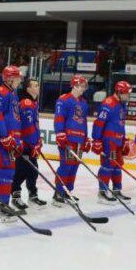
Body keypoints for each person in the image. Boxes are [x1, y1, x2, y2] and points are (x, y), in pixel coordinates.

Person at [0, 65, 25, 219]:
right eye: (17, 78)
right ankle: (3, 205)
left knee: (2, 171)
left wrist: (18, 139)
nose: (19, 80)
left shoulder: (13, 94)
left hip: (10, 139)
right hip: (2, 139)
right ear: (9, 79)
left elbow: (15, 120)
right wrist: (5, 136)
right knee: (7, 170)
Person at [91, 80, 133, 204]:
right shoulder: (108, 104)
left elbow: (121, 124)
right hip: (109, 141)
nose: (128, 96)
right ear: (119, 92)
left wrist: (124, 140)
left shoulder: (122, 104)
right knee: (108, 165)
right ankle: (102, 192)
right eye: (126, 93)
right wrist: (97, 140)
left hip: (118, 140)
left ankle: (116, 190)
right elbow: (99, 123)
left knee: (117, 165)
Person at [52, 75, 91, 206]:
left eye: (84, 86)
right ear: (75, 85)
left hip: (79, 141)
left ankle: (68, 192)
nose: (83, 88)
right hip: (68, 140)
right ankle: (58, 193)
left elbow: (84, 122)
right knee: (66, 166)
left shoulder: (83, 102)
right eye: (82, 86)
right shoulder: (63, 100)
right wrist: (60, 133)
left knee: (74, 167)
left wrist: (86, 138)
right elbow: (59, 118)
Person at [11, 78, 46, 209]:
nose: (38, 87)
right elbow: (27, 127)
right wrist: (33, 144)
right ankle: (16, 196)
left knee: (33, 171)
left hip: (31, 144)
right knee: (21, 171)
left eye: (38, 85)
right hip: (25, 145)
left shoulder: (33, 103)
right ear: (28, 89)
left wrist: (38, 140)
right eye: (35, 85)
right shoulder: (26, 103)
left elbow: (34, 126)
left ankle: (33, 195)